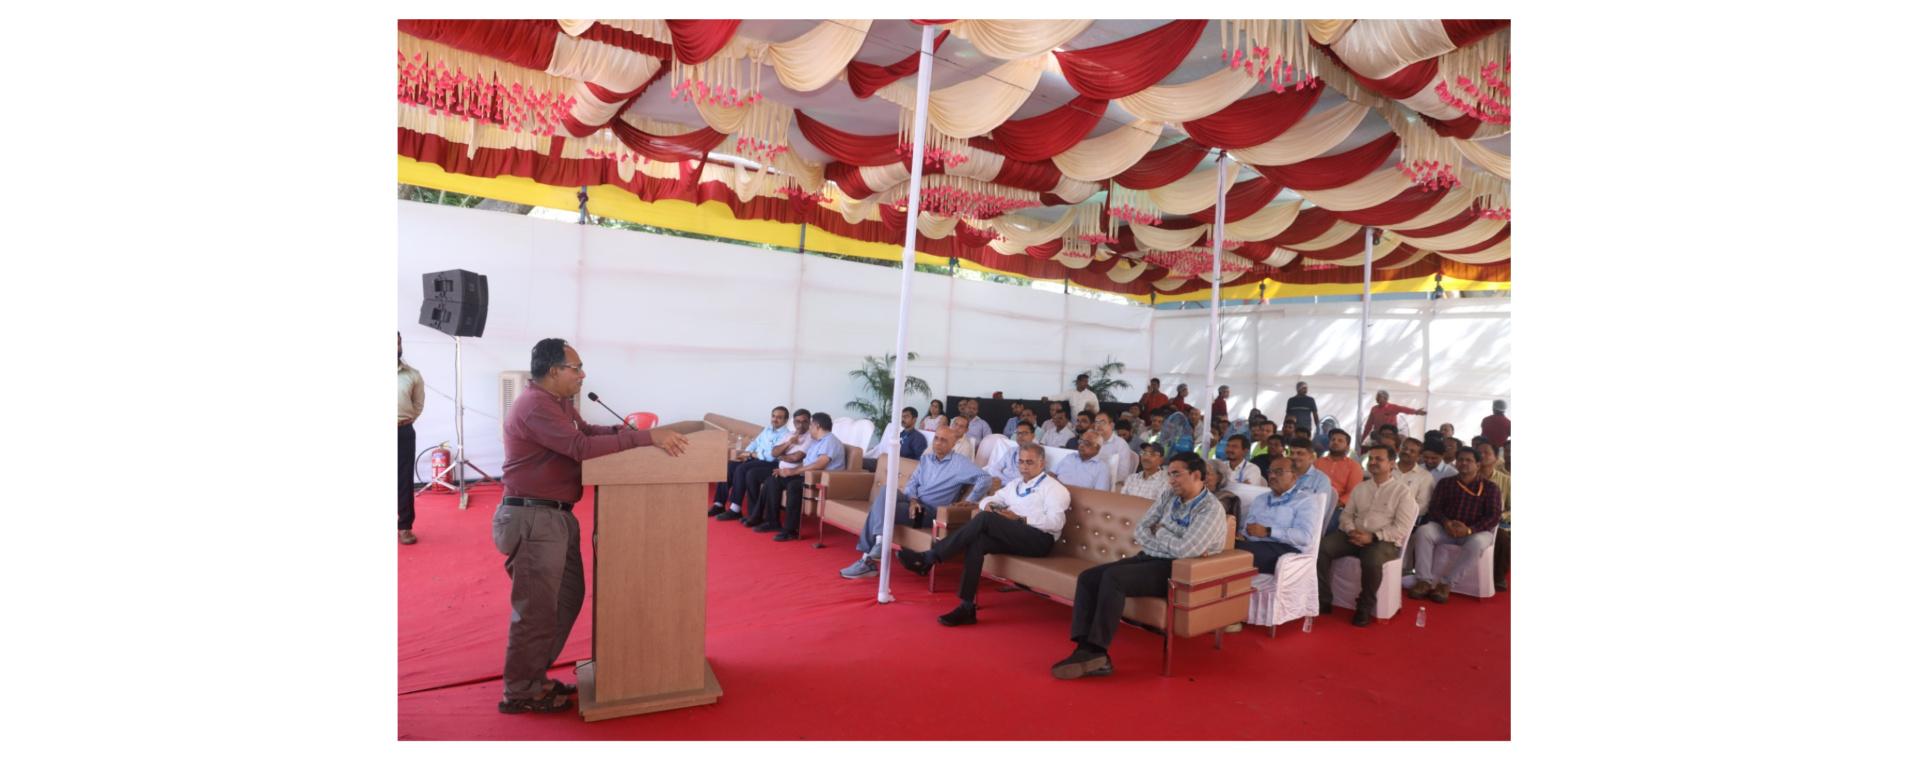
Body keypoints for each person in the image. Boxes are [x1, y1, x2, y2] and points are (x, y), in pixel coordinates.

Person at [495, 338, 690, 714]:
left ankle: (532, 676)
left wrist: (622, 431)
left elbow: (585, 433)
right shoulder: (534, 405)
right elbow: (580, 448)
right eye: (576, 367)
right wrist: (646, 437)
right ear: (554, 371)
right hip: (533, 518)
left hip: (555, 516)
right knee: (536, 610)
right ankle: (520, 690)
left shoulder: (558, 402)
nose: (582, 375)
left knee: (567, 597)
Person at [1052, 452, 1227, 680]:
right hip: (1150, 557)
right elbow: (1141, 529)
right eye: (1169, 474)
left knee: (1114, 579)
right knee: (1088, 577)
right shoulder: (1169, 496)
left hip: (1177, 570)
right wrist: (1169, 539)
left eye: (1176, 474)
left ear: (1196, 475)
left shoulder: (1210, 509)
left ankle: (1097, 651)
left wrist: (1160, 531)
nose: (1171, 480)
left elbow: (1185, 551)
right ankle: (1084, 649)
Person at [897, 442, 1069, 625]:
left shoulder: (1054, 488)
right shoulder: (1015, 484)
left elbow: (1056, 522)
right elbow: (990, 499)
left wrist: (1021, 518)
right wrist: (990, 505)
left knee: (985, 519)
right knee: (978, 541)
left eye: (1029, 462)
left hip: (1039, 539)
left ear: (1042, 463)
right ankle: (967, 607)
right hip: (1015, 534)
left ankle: (929, 558)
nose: (1024, 466)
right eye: (1021, 461)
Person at [839, 425, 990, 580]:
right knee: (886, 490)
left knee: (882, 509)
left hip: (928, 513)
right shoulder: (926, 459)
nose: (938, 443)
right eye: (936, 438)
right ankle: (879, 542)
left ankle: (868, 560)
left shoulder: (960, 463)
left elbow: (985, 478)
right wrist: (913, 500)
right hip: (913, 502)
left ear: (953, 444)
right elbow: (912, 484)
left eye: (944, 440)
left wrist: (970, 500)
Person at [1315, 444, 1416, 627]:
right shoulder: (1360, 488)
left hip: (1384, 541)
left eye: (1379, 459)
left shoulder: (1402, 492)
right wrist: (1351, 530)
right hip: (1354, 535)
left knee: (1372, 559)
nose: (1373, 462)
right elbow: (1346, 515)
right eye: (1371, 458)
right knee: (1322, 548)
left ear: (1391, 464)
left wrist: (1373, 537)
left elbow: (1401, 528)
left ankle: (1364, 606)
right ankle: (1323, 599)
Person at [1409, 449, 1503, 603]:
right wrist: (1446, 523)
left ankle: (1446, 584)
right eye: (1460, 460)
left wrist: (1469, 529)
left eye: (1468, 460)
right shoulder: (1446, 483)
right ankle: (1423, 580)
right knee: (1423, 531)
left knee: (1478, 543)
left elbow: (1494, 516)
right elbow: (1435, 508)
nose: (1463, 463)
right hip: (1446, 528)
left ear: (1478, 464)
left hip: (1475, 531)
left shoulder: (1490, 488)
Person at [757, 412, 846, 542]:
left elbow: (820, 464)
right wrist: (788, 471)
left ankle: (791, 530)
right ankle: (772, 522)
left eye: (811, 425)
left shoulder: (830, 441)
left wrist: (793, 472)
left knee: (794, 486)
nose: (809, 428)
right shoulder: (818, 441)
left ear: (817, 426)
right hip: (808, 475)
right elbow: (807, 463)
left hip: (822, 479)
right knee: (774, 479)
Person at [1235, 458, 1321, 574]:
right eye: (1270, 472)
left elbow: (1304, 537)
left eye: (1279, 472)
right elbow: (1248, 527)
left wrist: (1268, 531)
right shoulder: (1260, 499)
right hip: (1254, 545)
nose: (1272, 476)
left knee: (1236, 555)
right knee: (1227, 546)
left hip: (1285, 550)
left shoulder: (1306, 500)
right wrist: (1243, 535)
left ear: (1294, 476)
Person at [710, 406, 790, 518]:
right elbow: (755, 443)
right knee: (731, 466)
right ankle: (719, 504)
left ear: (785, 420)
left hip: (771, 463)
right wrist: (747, 453)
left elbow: (771, 456)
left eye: (779, 417)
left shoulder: (786, 435)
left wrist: (754, 454)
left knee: (741, 469)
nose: (775, 419)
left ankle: (735, 509)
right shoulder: (767, 429)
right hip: (756, 458)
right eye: (773, 416)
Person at [734, 409, 810, 524]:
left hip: (792, 472)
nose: (800, 425)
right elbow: (774, 453)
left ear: (809, 422)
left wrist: (781, 455)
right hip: (779, 467)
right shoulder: (789, 435)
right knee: (749, 473)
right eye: (797, 421)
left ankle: (757, 516)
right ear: (793, 422)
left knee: (749, 472)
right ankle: (753, 514)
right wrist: (788, 443)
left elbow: (795, 458)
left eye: (804, 421)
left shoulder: (810, 438)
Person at [397, 332, 425, 545]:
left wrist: (404, 421)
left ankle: (405, 527)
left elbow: (418, 405)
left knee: (404, 480)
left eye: (396, 343)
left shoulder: (412, 375)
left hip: (402, 432)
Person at [1313, 429, 1365, 522]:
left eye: (1340, 441)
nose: (1335, 442)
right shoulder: (1317, 463)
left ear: (1347, 447)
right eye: (1333, 440)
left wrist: (1335, 504)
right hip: (1314, 503)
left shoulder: (1354, 466)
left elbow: (1353, 492)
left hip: (1338, 507)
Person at [986, 420, 1038, 492]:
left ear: (1033, 436)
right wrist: (1005, 480)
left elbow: (1026, 478)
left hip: (1018, 490)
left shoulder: (1037, 453)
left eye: (1024, 433)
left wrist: (1004, 473)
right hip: (1002, 485)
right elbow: (994, 469)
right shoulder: (1011, 451)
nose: (1020, 436)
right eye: (1018, 433)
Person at [1393, 436, 1437, 517]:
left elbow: (1422, 506)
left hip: (1407, 518)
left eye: (1412, 451)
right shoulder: (1387, 469)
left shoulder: (1425, 477)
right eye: (1404, 448)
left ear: (1419, 456)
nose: (1406, 452)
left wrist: (1401, 515)